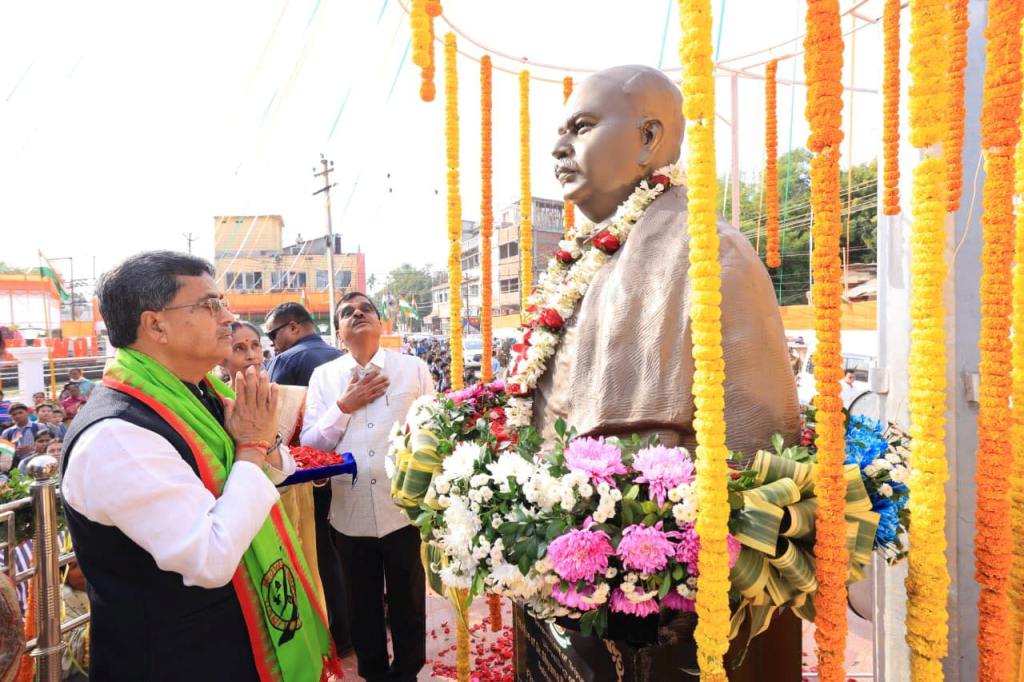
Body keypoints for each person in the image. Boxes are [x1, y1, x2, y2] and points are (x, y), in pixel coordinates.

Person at [60, 251, 334, 681]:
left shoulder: (196, 394)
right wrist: (252, 446)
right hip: (175, 660)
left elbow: (275, 469)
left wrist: (261, 442)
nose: (228, 316)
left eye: (222, 302)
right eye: (209, 305)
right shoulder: (117, 434)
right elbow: (209, 556)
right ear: (155, 325)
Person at [532, 65, 799, 456]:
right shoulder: (583, 257)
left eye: (582, 127)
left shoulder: (710, 255)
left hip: (647, 509)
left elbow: (758, 445)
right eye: (561, 134)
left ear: (648, 137)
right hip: (549, 498)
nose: (559, 148)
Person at [302, 291, 431, 682]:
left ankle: (407, 672)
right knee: (362, 604)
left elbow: (436, 429)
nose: (357, 313)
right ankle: (373, 674)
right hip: (349, 512)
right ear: (339, 333)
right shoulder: (325, 378)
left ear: (380, 323)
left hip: (403, 511)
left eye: (366, 309)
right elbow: (310, 446)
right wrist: (344, 406)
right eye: (347, 313)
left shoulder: (412, 369)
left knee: (409, 599)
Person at [262, 301, 352, 656]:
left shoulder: (286, 362)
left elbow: (273, 422)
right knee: (346, 549)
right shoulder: (340, 358)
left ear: (294, 327)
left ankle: (336, 636)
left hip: (308, 473)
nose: (273, 344)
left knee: (319, 553)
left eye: (274, 335)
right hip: (347, 469)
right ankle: (355, 628)